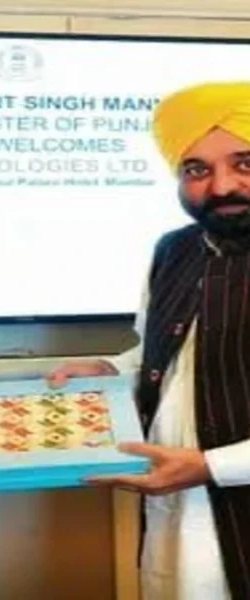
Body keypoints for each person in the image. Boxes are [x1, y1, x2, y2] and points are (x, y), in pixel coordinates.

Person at [47, 81, 250, 600]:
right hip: (183, 511)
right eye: (196, 170)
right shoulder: (176, 249)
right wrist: (113, 370)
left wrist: (211, 467)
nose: (222, 186)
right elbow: (173, 352)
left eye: (244, 163)